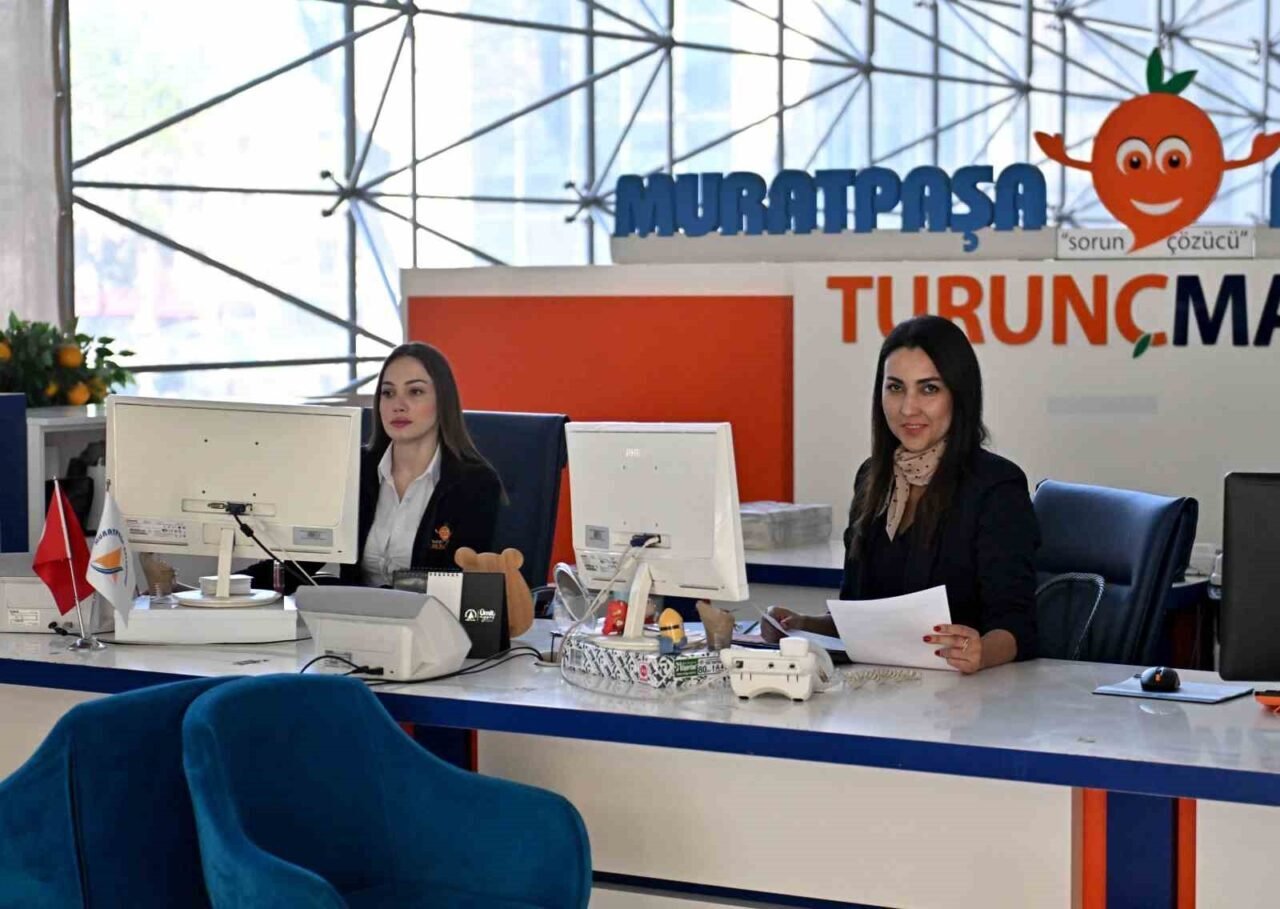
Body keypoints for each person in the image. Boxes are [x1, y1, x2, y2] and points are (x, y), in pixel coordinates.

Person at [763, 315, 1039, 673]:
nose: (908, 408)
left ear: (959, 396)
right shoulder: (871, 480)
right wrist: (799, 626)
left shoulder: (997, 487)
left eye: (929, 389)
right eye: (895, 388)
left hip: (968, 695)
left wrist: (980, 652)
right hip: (882, 690)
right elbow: (860, 616)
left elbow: (1018, 627)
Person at [251, 342, 503, 592]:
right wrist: (236, 584)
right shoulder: (354, 470)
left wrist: (374, 598)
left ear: (443, 401)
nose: (398, 405)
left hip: (429, 616)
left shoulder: (475, 483)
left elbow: (465, 585)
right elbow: (303, 559)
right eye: (388, 393)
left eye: (415, 392)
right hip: (353, 614)